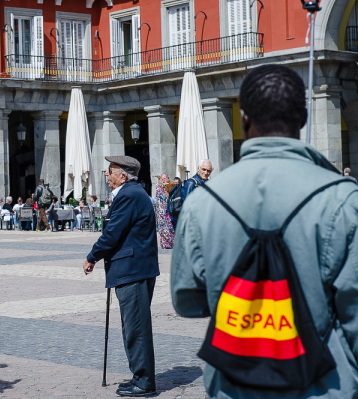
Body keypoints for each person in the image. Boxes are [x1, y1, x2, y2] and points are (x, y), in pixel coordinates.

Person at [171, 64, 358, 398]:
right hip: (325, 383)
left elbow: (187, 301)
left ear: (243, 118)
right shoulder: (344, 199)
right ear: (302, 119)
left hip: (233, 383)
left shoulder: (202, 202)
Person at [84, 155, 159, 397]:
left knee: (136, 327)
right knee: (133, 326)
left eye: (110, 170)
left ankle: (145, 382)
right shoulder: (134, 193)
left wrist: (92, 256)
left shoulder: (128, 195)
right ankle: (139, 375)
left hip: (133, 270)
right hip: (135, 268)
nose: (107, 174)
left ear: (123, 175)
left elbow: (113, 233)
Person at [155, 175, 175, 249]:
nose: (163, 180)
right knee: (163, 227)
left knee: (169, 226)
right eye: (162, 179)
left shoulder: (171, 186)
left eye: (165, 178)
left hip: (169, 210)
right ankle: (165, 243)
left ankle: (170, 242)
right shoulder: (159, 187)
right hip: (161, 211)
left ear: (168, 178)